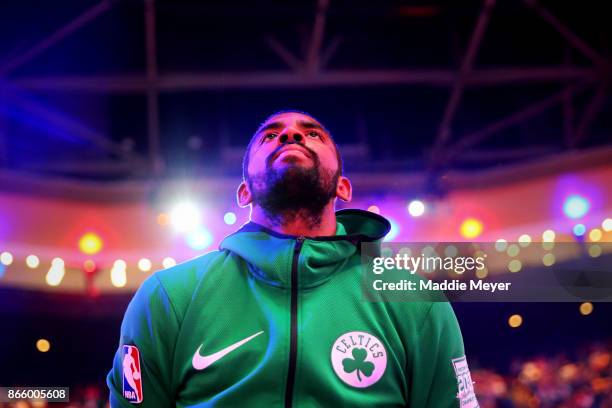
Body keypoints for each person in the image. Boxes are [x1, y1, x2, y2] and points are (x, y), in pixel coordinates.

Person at [107, 110, 477, 407]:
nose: (290, 135)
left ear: (343, 187)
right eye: (271, 136)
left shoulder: (414, 299)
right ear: (244, 192)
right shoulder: (169, 296)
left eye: (312, 133)